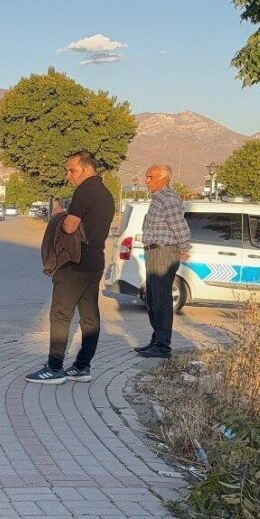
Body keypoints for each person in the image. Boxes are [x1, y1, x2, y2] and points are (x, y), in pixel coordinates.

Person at [26, 151, 116, 385]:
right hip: (95, 261)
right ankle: (82, 366)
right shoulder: (106, 194)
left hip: (74, 264)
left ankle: (54, 368)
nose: (68, 176)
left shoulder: (85, 190)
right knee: (89, 315)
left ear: (87, 170)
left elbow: (69, 226)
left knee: (60, 315)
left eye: (72, 170)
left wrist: (59, 215)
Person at [135, 164, 190, 359]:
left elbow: (180, 227)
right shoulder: (158, 198)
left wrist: (184, 248)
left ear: (164, 179)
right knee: (152, 298)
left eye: (151, 177)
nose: (146, 180)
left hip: (164, 253)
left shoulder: (168, 199)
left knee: (161, 299)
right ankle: (156, 339)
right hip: (155, 252)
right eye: (146, 176)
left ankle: (163, 346)